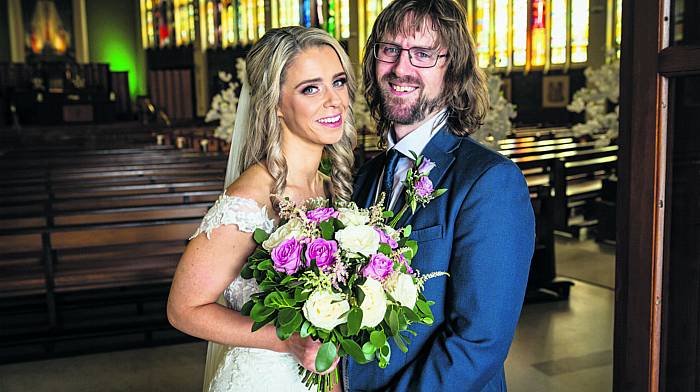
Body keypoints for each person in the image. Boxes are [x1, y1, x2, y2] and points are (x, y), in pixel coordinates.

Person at [345, 0, 535, 390]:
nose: (401, 68)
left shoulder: (490, 181)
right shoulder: (365, 177)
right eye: (390, 49)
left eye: (423, 54)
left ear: (454, 70)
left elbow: (477, 342)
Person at [167, 26, 356, 392]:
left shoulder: (330, 187)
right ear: (275, 104)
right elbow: (183, 309)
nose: (334, 101)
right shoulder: (247, 203)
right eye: (311, 88)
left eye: (339, 82)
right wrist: (282, 339)